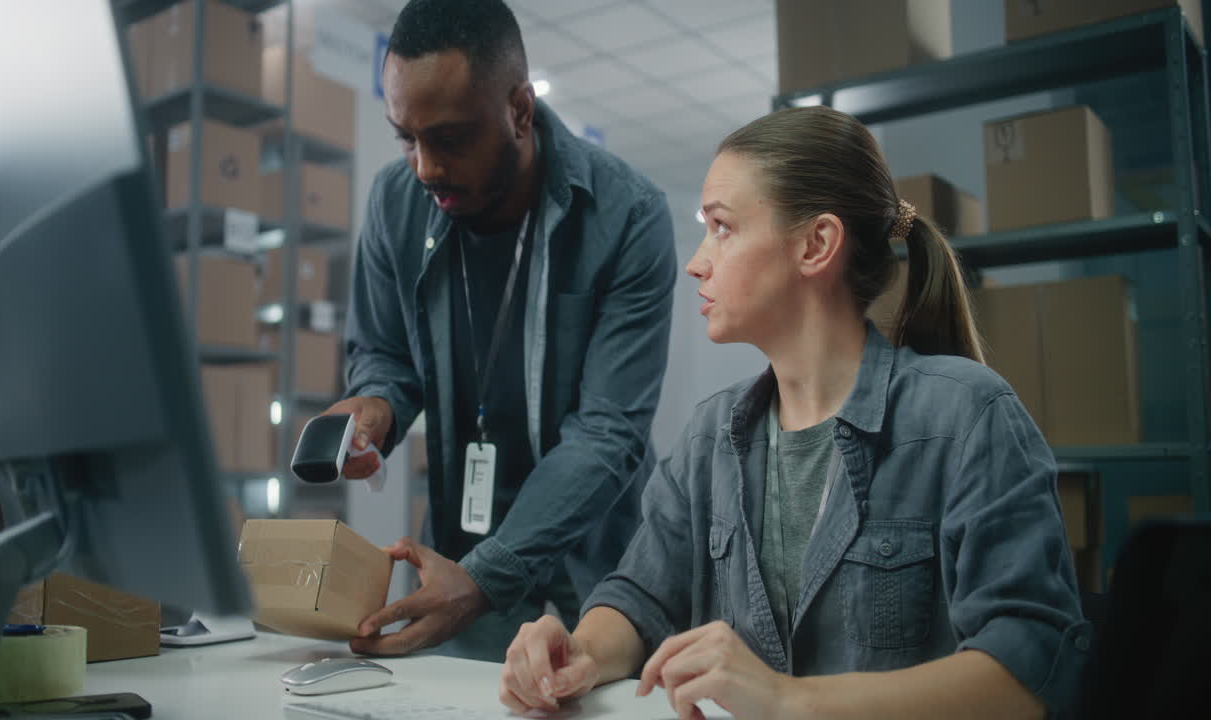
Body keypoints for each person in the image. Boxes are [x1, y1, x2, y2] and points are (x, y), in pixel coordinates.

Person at [498, 105, 1089, 719]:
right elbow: (642, 593)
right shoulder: (710, 435)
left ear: (817, 244)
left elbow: (1032, 665)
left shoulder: (969, 415)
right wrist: (582, 650)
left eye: (722, 227)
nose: (697, 262)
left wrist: (791, 701)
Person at [324, 0, 676, 663]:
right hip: (467, 545)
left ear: (520, 109)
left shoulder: (628, 215)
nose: (424, 167)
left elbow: (609, 431)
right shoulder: (394, 202)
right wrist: (375, 406)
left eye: (450, 139)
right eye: (406, 137)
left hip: (597, 549)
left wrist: (488, 577)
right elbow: (385, 355)